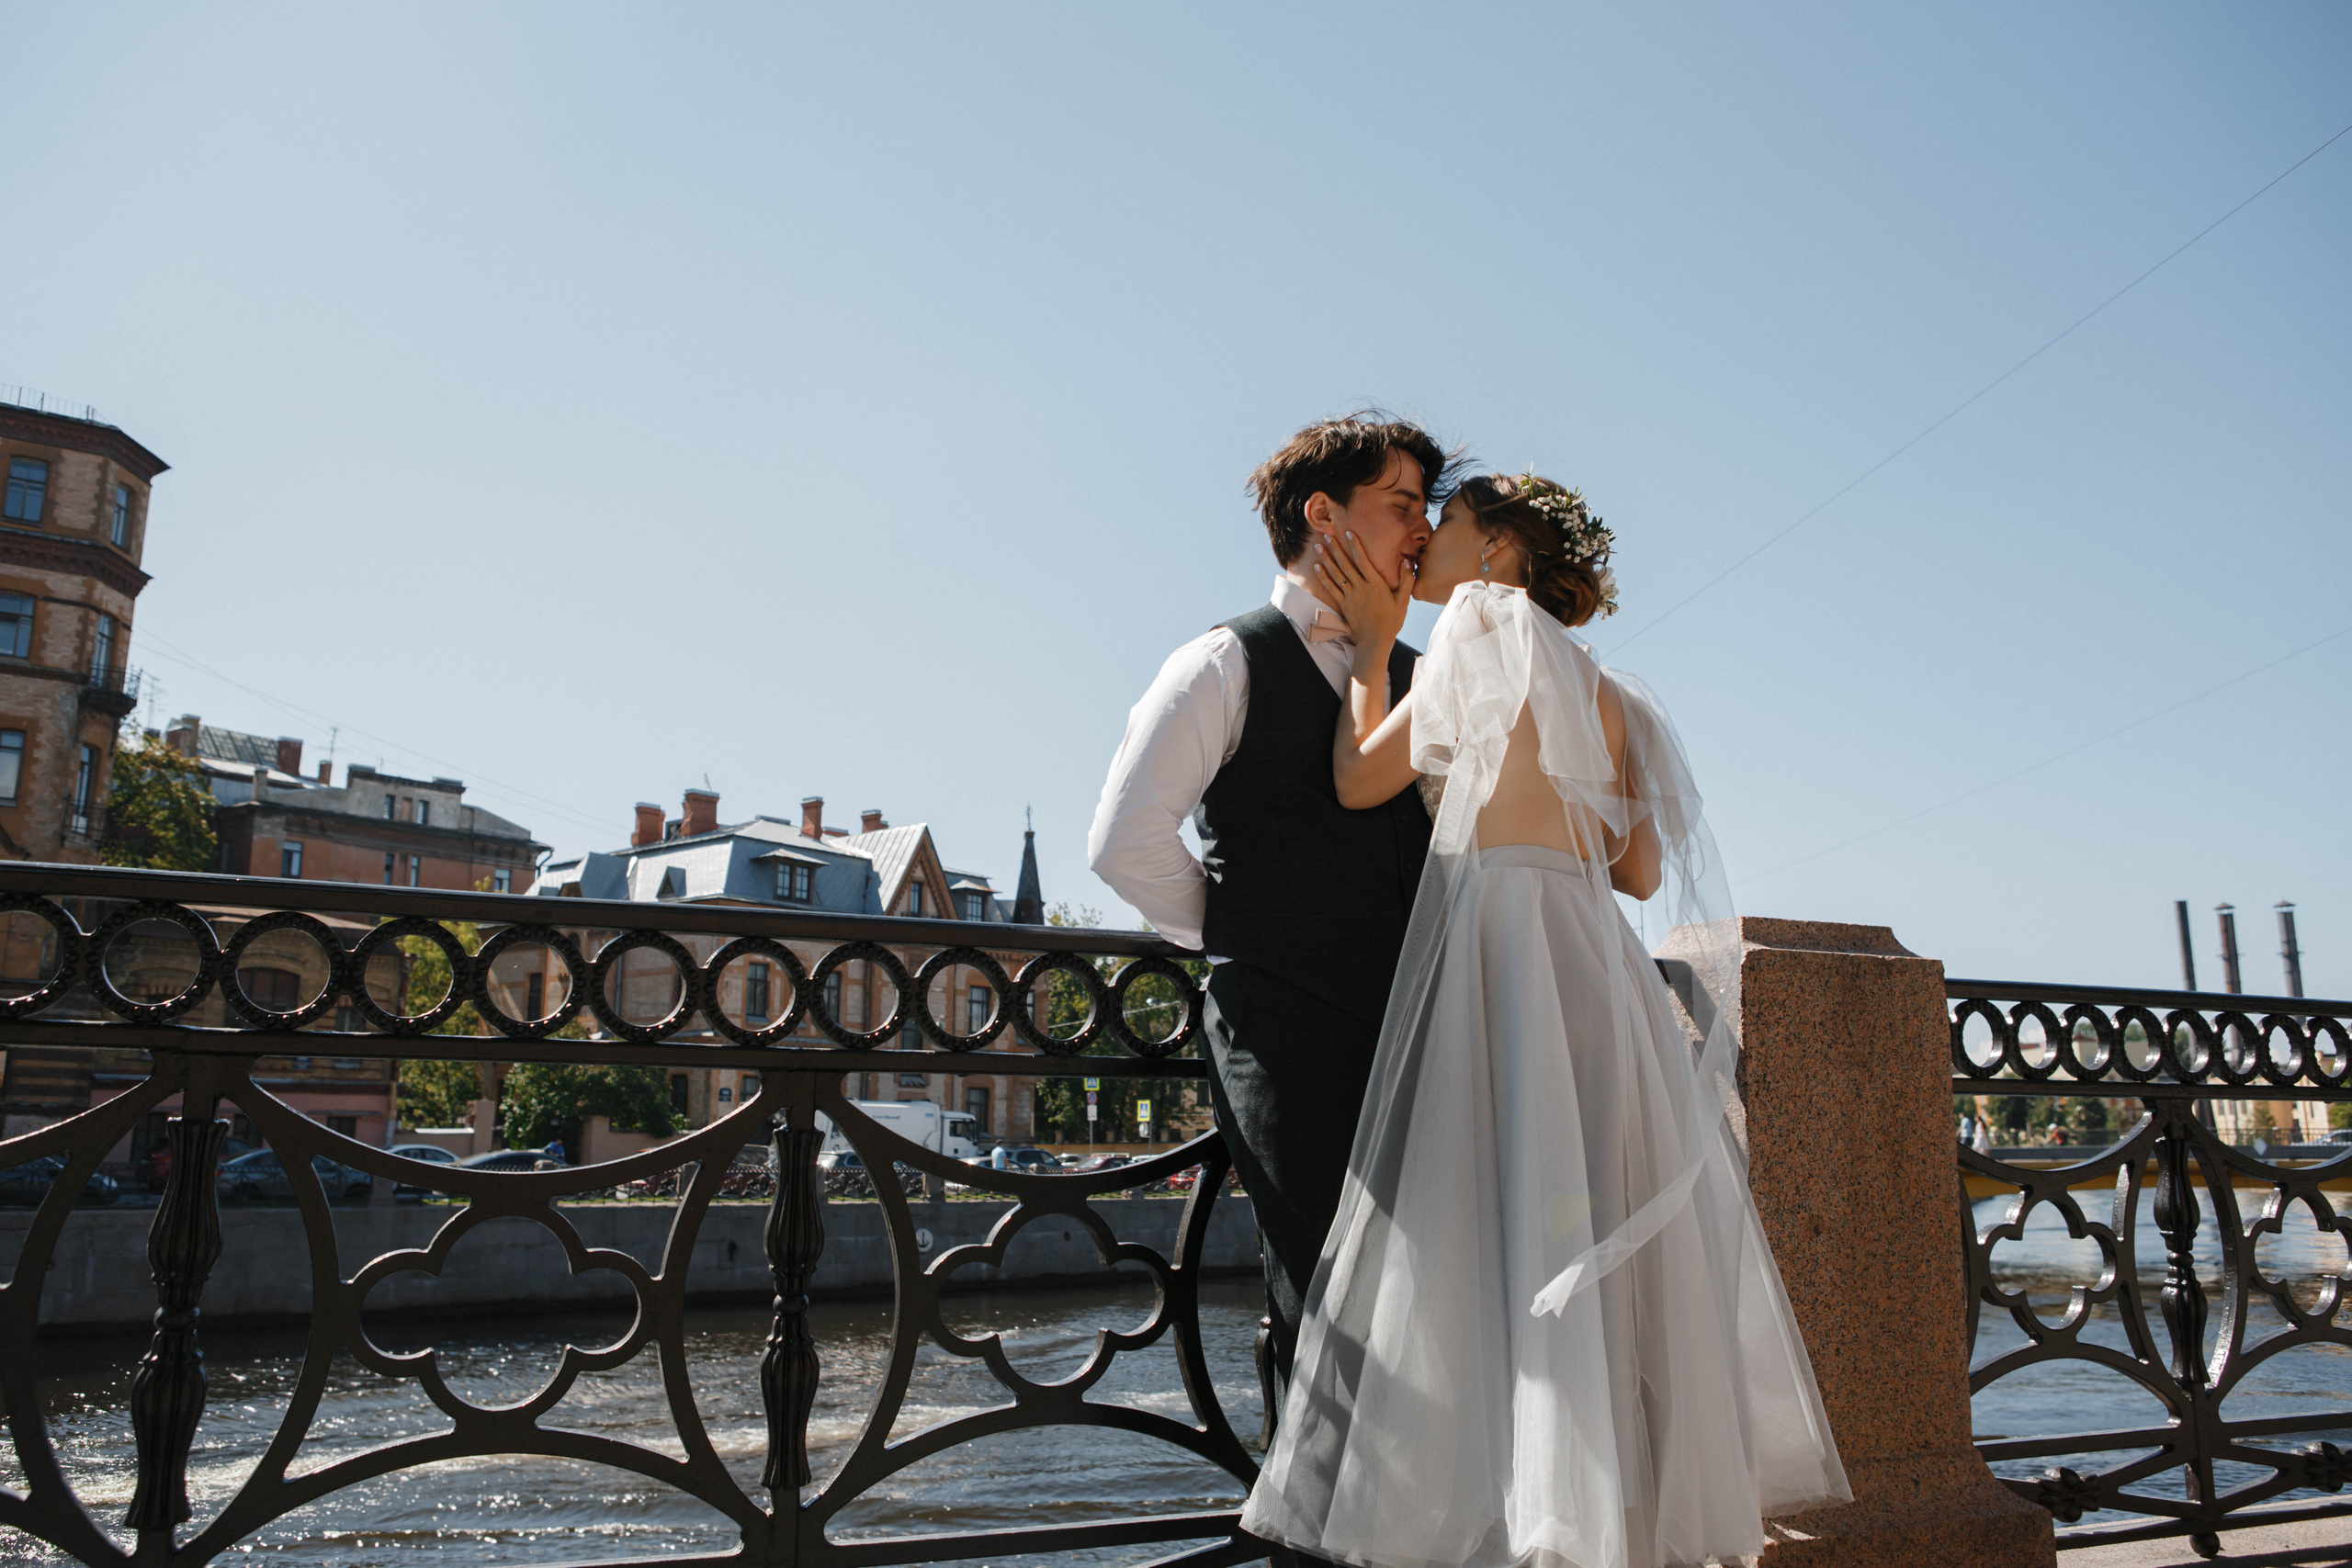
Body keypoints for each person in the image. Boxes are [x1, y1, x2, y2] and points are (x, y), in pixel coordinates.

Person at [1239, 472, 1850, 1568]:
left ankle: (1509, 1509)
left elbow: (1358, 780)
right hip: (1590, 959)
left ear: (1501, 550)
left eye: (1452, 524)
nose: (1428, 541)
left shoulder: (1480, 622)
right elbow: (1639, 867)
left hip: (1499, 938)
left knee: (1492, 1210)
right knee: (1586, 1212)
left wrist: (1376, 657)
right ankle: (1608, 1504)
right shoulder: (1616, 693)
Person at [1087, 412, 1456, 1524]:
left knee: (1434, 1309)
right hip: (1285, 1028)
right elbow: (1125, 843)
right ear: (1322, 514)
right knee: (1328, 1302)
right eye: (1402, 505)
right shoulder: (1222, 660)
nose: (1422, 532)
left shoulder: (1429, 672)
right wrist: (1251, 933)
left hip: (1428, 1026)